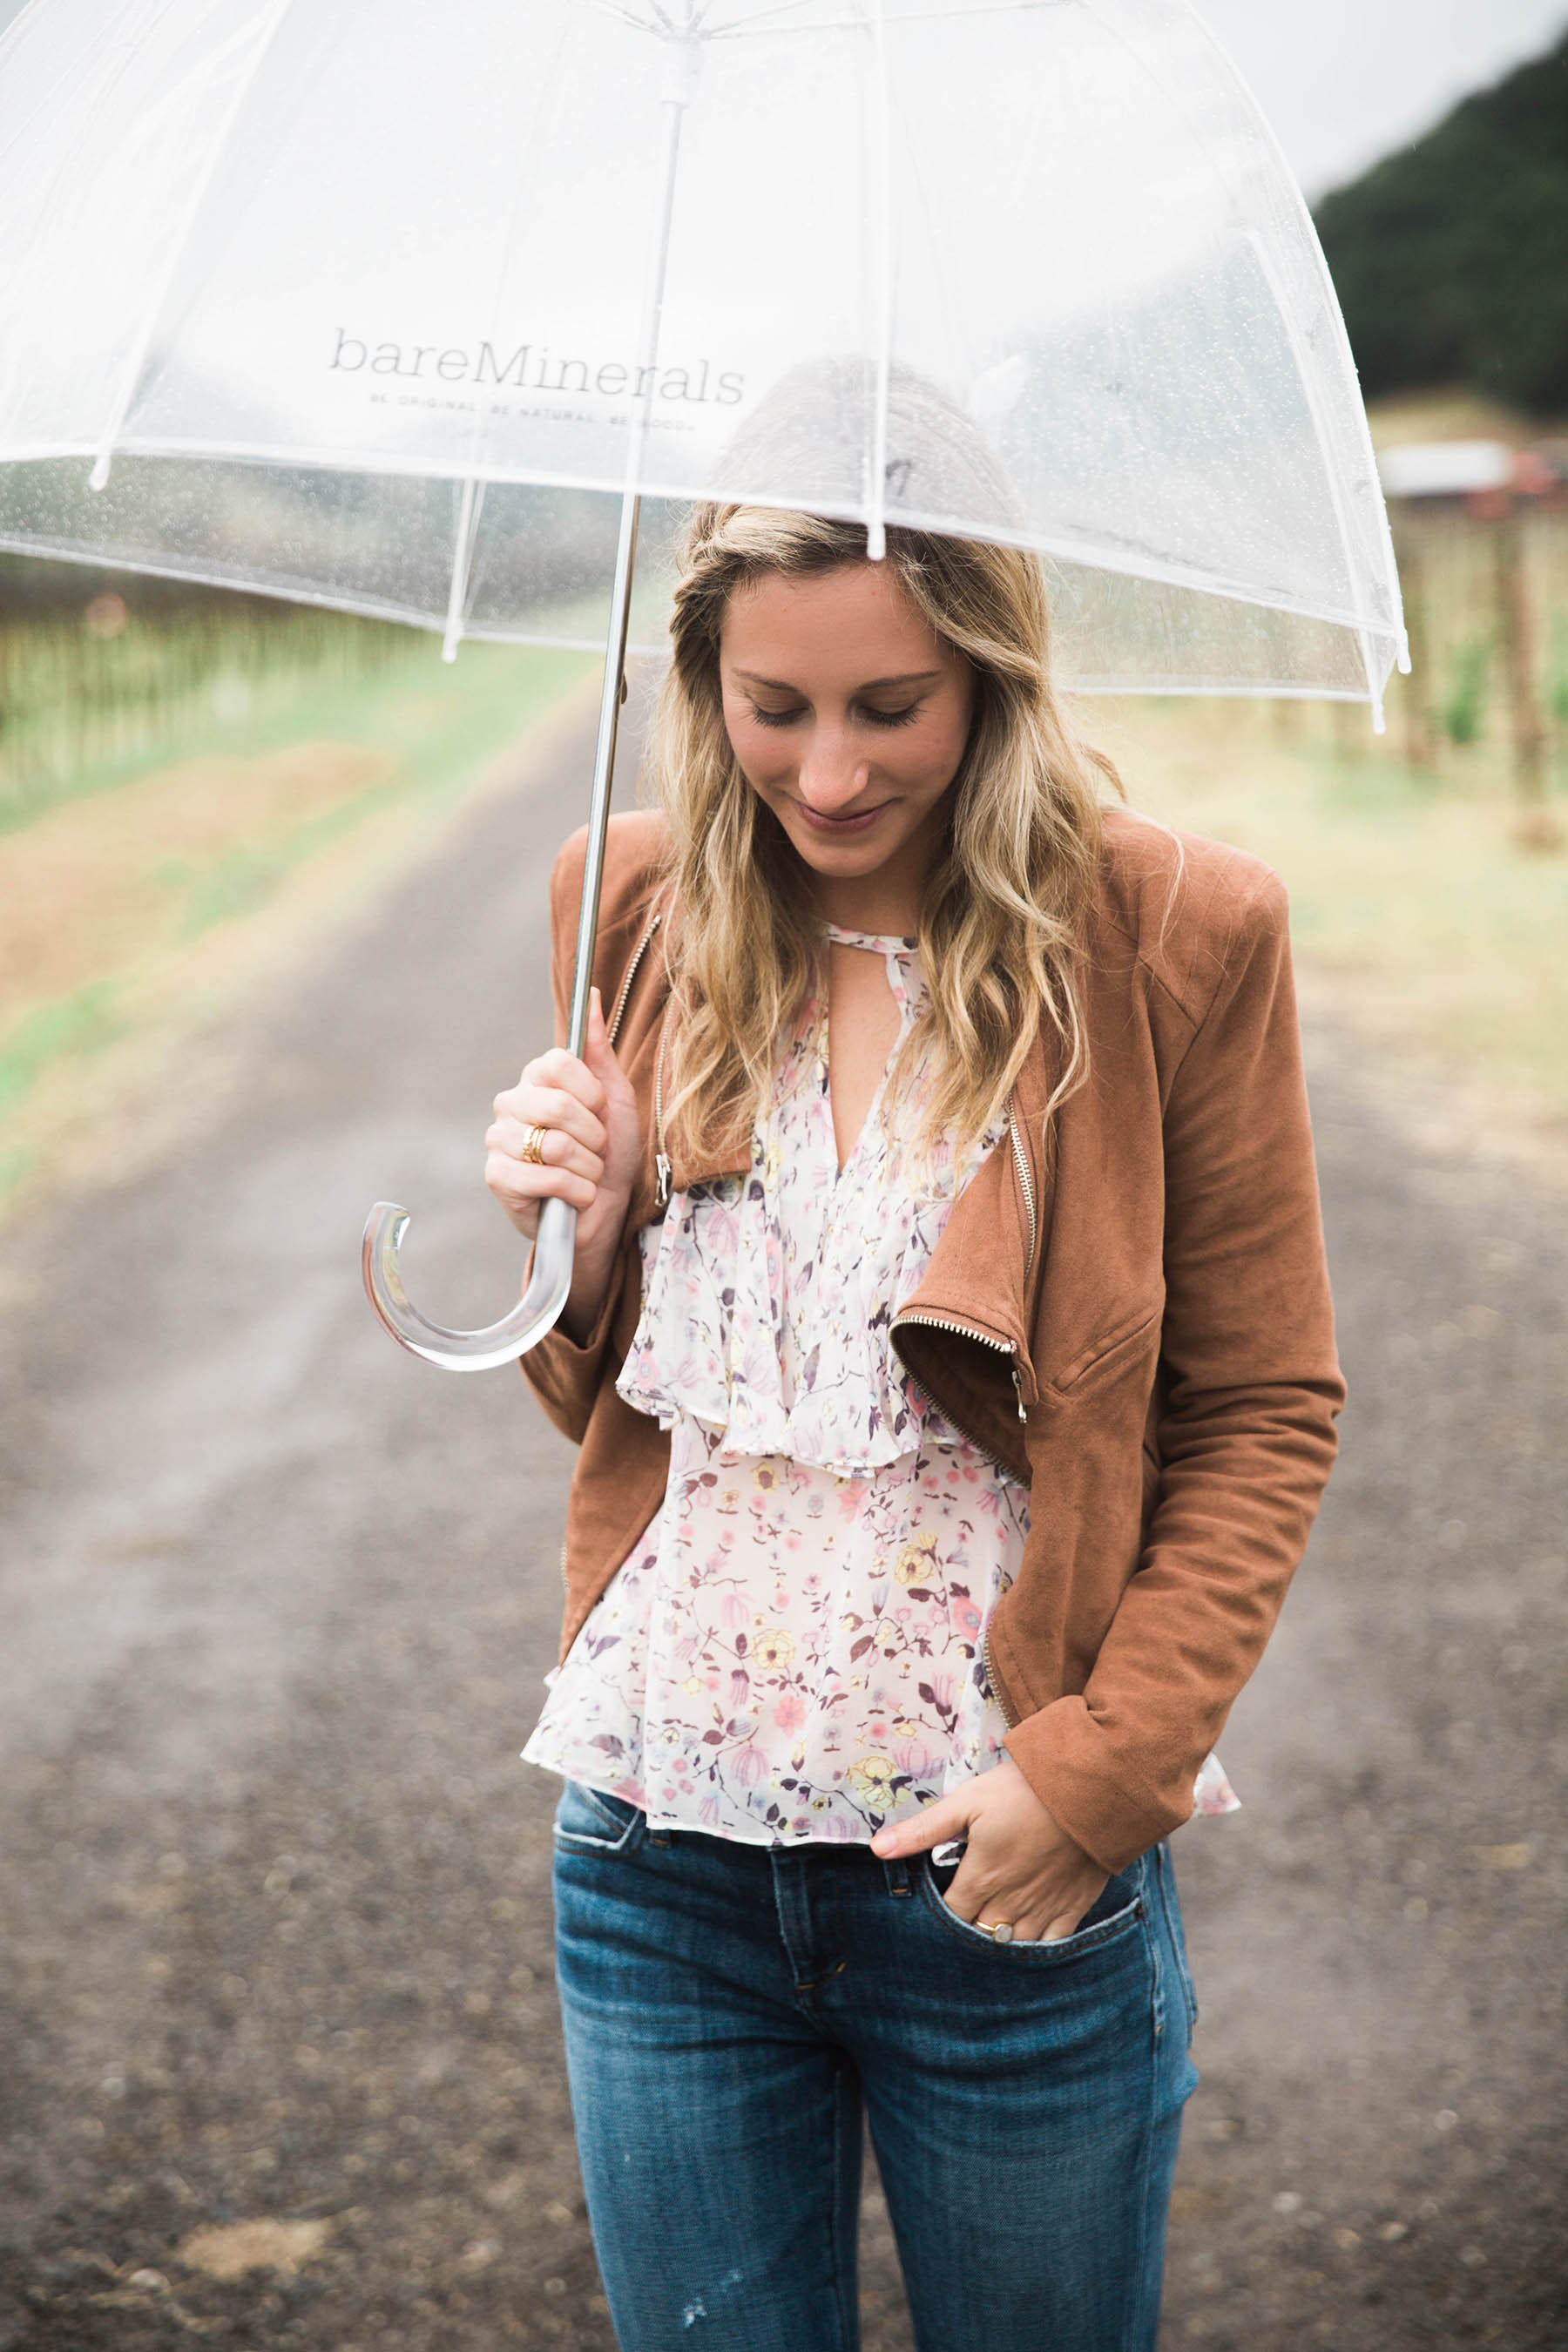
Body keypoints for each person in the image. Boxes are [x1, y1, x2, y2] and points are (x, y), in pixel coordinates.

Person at [483, 502, 1343, 2352]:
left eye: (893, 705)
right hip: (659, 1857)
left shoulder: (1173, 931)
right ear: (701, 682)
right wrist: (583, 1237)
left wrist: (1099, 1778)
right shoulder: (624, 909)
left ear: (994, 676)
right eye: (769, 708)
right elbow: (602, 1406)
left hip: (1001, 1874)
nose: (828, 769)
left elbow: (1265, 1404)